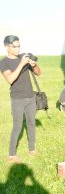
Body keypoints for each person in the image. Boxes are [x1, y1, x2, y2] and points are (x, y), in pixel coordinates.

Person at [0, 35, 42, 163]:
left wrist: (33, 65)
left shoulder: (23, 57)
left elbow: (38, 72)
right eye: (15, 46)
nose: (18, 48)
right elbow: (10, 79)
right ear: (7, 47)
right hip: (17, 99)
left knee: (31, 123)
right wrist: (22, 64)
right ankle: (11, 155)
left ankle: (32, 149)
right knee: (17, 126)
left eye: (19, 45)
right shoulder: (4, 62)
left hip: (30, 97)